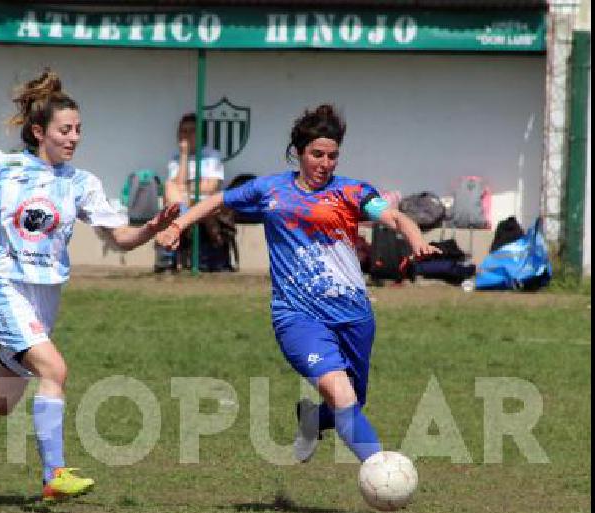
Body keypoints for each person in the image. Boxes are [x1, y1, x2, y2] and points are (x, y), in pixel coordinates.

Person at [0, 69, 178, 501]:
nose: (74, 138)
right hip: (2, 288)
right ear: (38, 131)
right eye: (65, 130)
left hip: (43, 300)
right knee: (55, 370)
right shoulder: (3, 166)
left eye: (78, 130)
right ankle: (54, 475)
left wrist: (151, 228)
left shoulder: (82, 184)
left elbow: (119, 238)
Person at [157, 104, 440, 464]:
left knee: (351, 401)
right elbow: (217, 200)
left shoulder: (352, 192)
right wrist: (178, 225)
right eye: (316, 154)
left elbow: (394, 216)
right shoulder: (270, 189)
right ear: (298, 152)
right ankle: (381, 469)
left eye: (332, 156)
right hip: (297, 315)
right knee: (339, 392)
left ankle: (312, 418)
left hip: (353, 314)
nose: (325, 163)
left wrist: (415, 239)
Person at [157, 113, 225, 272]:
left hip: (204, 203)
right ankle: (169, 258)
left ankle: (183, 220)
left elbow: (211, 186)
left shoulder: (211, 156)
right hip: (183, 203)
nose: (187, 135)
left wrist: (186, 187)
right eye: (183, 131)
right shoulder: (176, 158)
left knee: (177, 196)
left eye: (192, 131)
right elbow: (176, 185)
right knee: (169, 187)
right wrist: (184, 155)